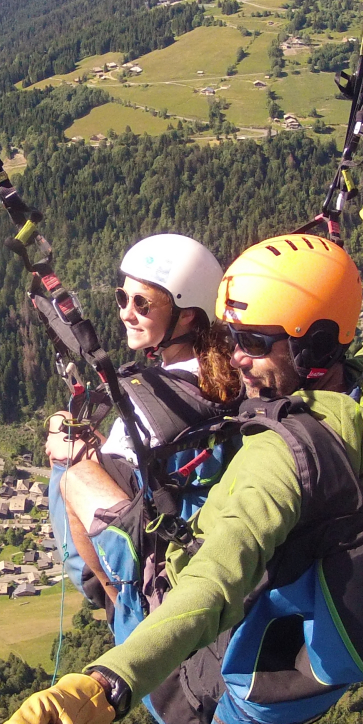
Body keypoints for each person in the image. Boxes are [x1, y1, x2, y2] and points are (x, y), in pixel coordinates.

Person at [4, 156, 363, 724]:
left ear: (316, 347)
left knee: (71, 472)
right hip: (312, 643)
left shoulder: (283, 460)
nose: (238, 355)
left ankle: (110, 595)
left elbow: (213, 582)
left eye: (253, 342)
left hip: (208, 706)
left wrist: (105, 687)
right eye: (232, 336)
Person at [45, 233, 239, 611]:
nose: (125, 312)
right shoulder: (222, 369)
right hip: (147, 505)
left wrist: (76, 455)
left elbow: (141, 469)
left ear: (187, 315)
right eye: (123, 297)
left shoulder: (167, 396)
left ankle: (115, 602)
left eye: (141, 304)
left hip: (126, 551)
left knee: (64, 450)